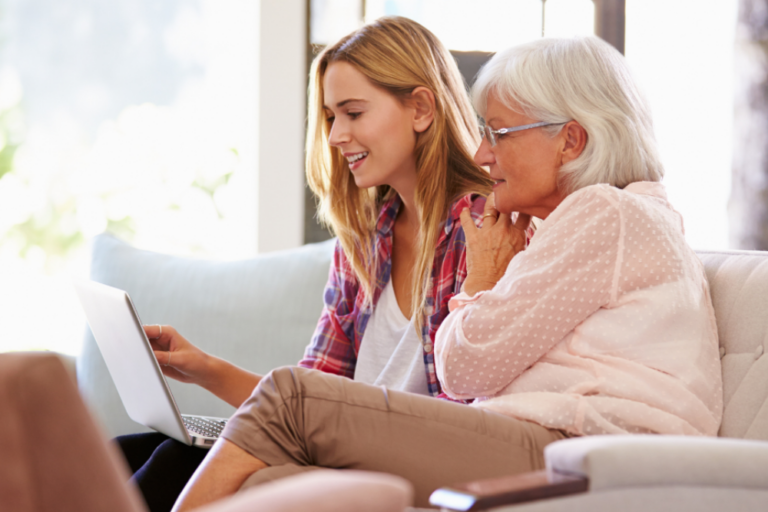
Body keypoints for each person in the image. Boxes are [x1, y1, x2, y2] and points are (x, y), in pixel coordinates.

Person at [170, 35, 723, 511]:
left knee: (290, 398)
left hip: (579, 455)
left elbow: (464, 368)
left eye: (500, 133)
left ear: (570, 140)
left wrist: (480, 277)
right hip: (550, 445)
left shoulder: (606, 213)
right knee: (274, 483)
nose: (483, 153)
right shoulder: (568, 226)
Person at [118, 16, 499, 512]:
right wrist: (205, 369)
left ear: (422, 108)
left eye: (353, 112)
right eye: (329, 117)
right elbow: (306, 400)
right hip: (341, 449)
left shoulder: (485, 229)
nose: (337, 135)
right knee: (129, 452)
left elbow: (472, 417)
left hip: (413, 461)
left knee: (172, 463)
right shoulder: (364, 243)